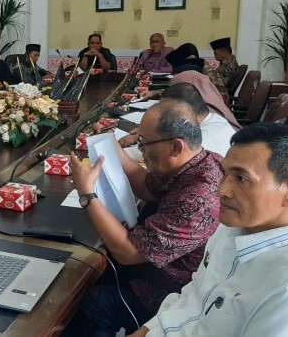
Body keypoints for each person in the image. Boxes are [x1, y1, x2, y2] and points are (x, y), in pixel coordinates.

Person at [128, 123, 288, 337]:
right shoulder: (235, 227)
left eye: (241, 179)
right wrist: (146, 330)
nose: (221, 190)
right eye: (225, 173)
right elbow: (195, 292)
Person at [63, 100, 223, 337]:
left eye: (144, 143)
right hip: (156, 268)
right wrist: (111, 146)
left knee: (91, 301)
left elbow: (128, 253)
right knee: (98, 271)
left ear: (175, 146)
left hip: (170, 296)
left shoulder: (198, 197)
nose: (140, 150)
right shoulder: (198, 162)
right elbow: (147, 187)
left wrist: (87, 193)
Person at [118, 82, 236, 159]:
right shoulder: (213, 119)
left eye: (166, 111)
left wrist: (116, 151)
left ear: (186, 111)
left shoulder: (201, 140)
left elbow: (157, 152)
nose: (163, 116)